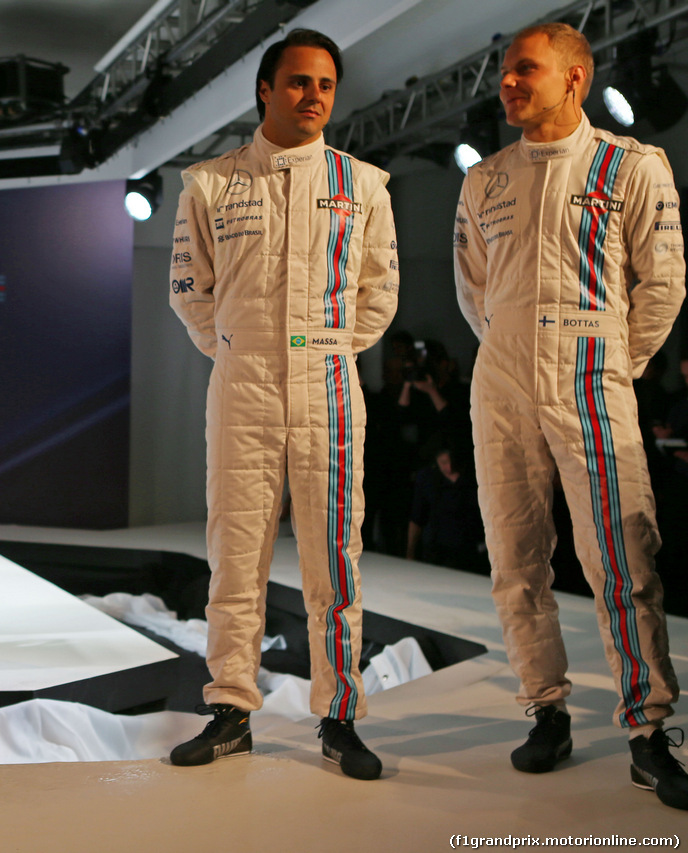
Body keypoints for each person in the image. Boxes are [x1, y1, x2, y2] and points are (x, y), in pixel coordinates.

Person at [453, 22, 687, 810]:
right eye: (506, 72)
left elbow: (663, 285)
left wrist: (612, 365)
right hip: (504, 378)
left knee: (623, 551)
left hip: (594, 370)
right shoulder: (483, 179)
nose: (508, 83)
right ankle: (544, 707)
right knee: (516, 553)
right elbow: (474, 291)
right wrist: (519, 354)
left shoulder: (631, 165)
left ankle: (648, 728)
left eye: (525, 69)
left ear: (575, 78)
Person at [168, 28, 399, 780]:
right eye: (299, 82)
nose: (314, 97)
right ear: (265, 89)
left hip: (330, 382)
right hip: (242, 386)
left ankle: (339, 717)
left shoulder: (364, 184)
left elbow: (379, 295)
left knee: (337, 560)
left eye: (326, 84)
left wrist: (322, 349)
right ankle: (230, 709)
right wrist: (243, 350)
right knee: (236, 557)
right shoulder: (210, 182)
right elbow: (189, 292)